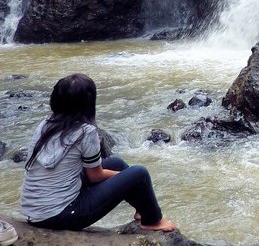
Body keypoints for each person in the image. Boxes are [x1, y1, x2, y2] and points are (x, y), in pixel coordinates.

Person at [20, 73, 176, 232]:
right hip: (62, 215)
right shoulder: (86, 132)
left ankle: (143, 210)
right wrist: (127, 178)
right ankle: (152, 221)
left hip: (33, 212)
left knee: (117, 163)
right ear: (88, 103)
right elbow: (95, 176)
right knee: (139, 173)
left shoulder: (46, 124)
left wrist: (123, 175)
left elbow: (92, 173)